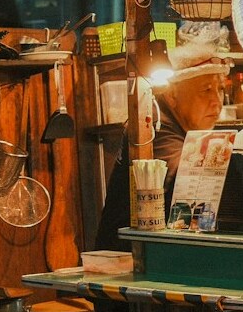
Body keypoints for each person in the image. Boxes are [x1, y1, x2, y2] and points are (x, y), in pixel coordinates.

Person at [94, 40, 228, 249]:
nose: (217, 101)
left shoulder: (178, 127)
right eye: (206, 90)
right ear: (172, 94)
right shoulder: (153, 126)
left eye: (220, 89)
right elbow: (185, 172)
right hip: (125, 255)